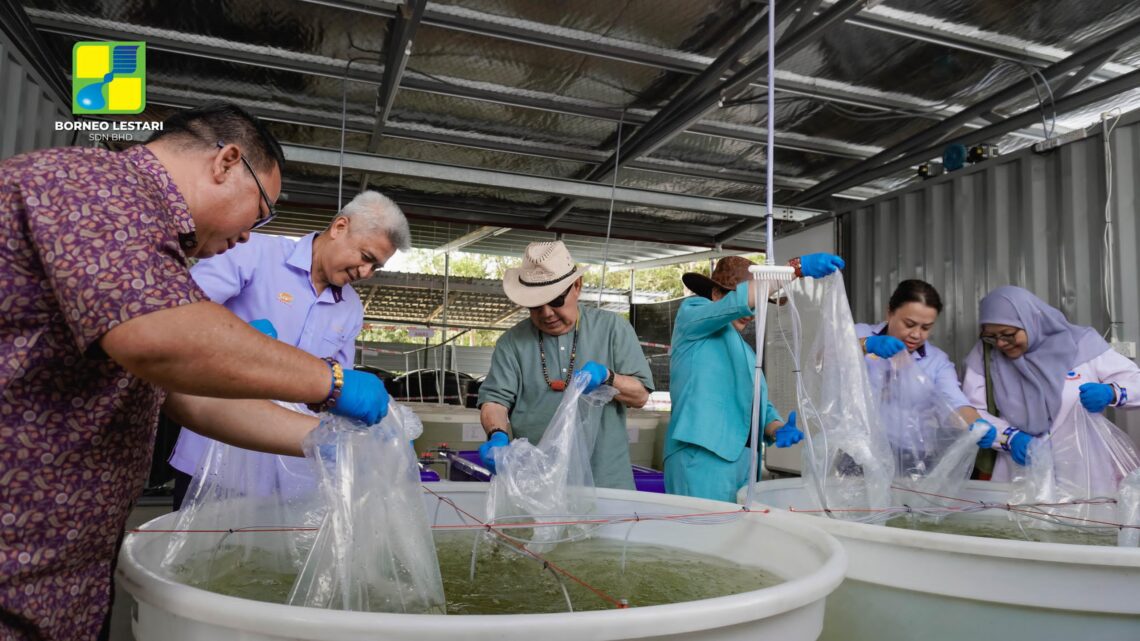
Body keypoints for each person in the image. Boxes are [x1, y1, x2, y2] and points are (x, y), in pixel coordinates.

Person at [0, 103, 387, 641]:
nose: (252, 234)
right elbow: (160, 339)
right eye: (259, 211)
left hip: (55, 567)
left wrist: (321, 438)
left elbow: (183, 394)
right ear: (227, 163)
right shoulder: (96, 185)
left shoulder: (150, 242)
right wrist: (331, 382)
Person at [168, 190, 412, 509]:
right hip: (213, 454)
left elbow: (336, 387)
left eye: (375, 268)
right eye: (366, 257)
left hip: (284, 466)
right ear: (339, 227)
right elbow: (175, 314)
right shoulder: (252, 253)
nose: (366, 273)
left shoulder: (350, 308)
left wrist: (364, 431)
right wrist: (235, 338)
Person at [664, 253, 845, 502]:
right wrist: (795, 269)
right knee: (703, 535)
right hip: (702, 456)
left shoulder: (747, 352)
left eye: (756, 306)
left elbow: (757, 400)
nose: (750, 312)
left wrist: (776, 428)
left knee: (735, 538)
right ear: (716, 295)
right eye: (750, 302)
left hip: (744, 459)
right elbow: (735, 304)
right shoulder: (692, 315)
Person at [476, 241, 654, 490]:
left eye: (556, 300)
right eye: (536, 306)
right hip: (536, 482)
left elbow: (640, 395)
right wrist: (497, 435)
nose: (547, 313)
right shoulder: (512, 342)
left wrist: (608, 377)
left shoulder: (613, 329)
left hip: (605, 480)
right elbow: (495, 400)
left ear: (577, 287)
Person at [962, 286, 1140, 484]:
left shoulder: (1081, 344)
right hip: (1019, 470)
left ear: (1031, 321)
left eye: (1008, 334)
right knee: (1021, 514)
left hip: (1083, 468)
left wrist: (1113, 392)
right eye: (991, 336)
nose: (1001, 344)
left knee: (1085, 514)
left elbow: (1136, 382)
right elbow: (972, 411)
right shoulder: (985, 357)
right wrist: (1009, 438)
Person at [856, 279, 983, 427]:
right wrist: (865, 344)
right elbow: (823, 358)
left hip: (909, 449)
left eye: (926, 328)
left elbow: (953, 401)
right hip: (856, 446)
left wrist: (976, 424)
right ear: (890, 313)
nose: (916, 334)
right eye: (909, 324)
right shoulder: (858, 332)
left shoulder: (937, 362)